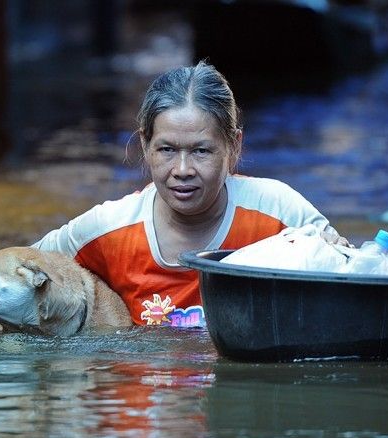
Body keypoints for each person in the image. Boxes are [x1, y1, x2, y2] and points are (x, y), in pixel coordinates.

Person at [33, 61, 345, 328]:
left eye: (201, 151)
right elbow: (5, 280)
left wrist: (334, 258)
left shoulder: (280, 213)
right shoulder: (107, 229)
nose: (182, 169)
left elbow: (349, 294)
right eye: (167, 149)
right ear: (145, 144)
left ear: (234, 145)